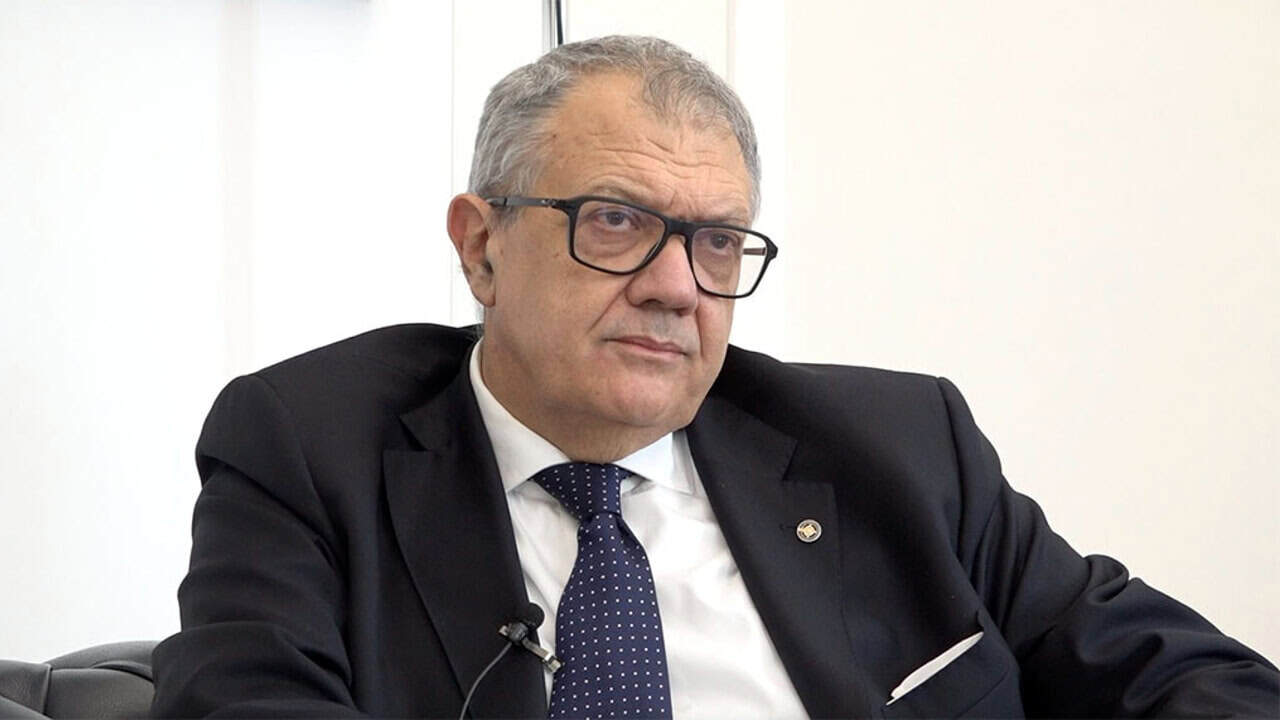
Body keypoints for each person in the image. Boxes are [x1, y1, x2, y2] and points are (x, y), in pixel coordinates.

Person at [150, 36, 1278, 719]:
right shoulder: (307, 448)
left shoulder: (898, 445)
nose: (675, 287)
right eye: (615, 221)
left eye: (717, 242)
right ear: (481, 246)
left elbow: (1192, 680)